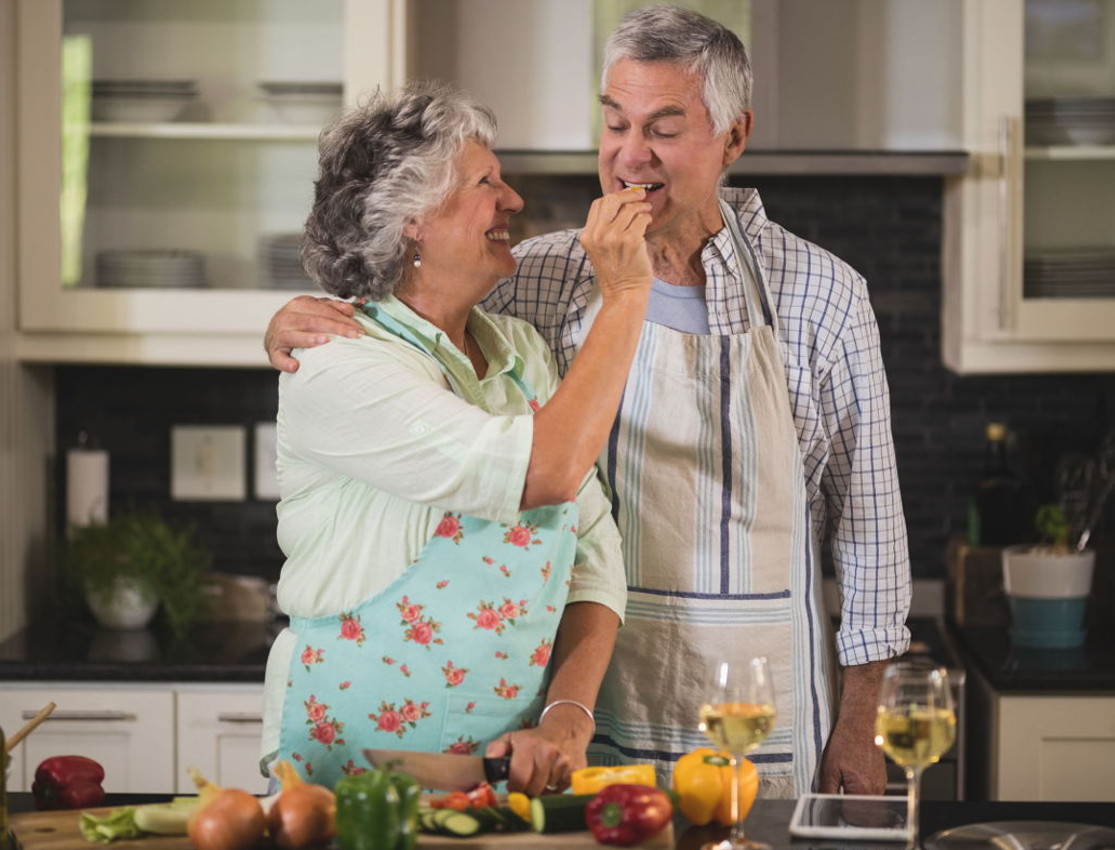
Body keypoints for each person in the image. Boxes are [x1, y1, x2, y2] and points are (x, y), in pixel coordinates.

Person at [264, 5, 911, 797]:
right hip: (581, 719)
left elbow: (871, 534)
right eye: (615, 122)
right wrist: (293, 315)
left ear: (733, 138)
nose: (629, 155)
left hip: (757, 707)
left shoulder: (824, 297)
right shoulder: (534, 278)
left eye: (664, 129)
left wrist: (860, 723)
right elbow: (409, 323)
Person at [261, 79, 655, 793]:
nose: (514, 201)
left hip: (509, 774)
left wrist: (568, 717)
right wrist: (625, 295)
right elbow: (547, 473)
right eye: (486, 182)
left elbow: (592, 549)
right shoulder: (337, 365)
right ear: (412, 218)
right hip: (352, 773)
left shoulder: (522, 352)